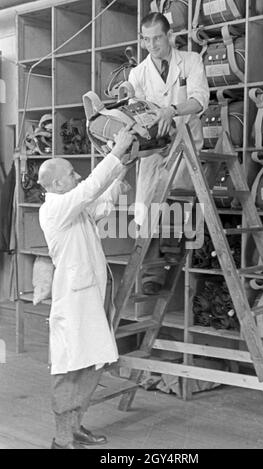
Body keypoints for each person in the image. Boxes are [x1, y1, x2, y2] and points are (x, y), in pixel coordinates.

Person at [38, 126, 135, 449]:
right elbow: (90, 189)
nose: (76, 175)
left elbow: (100, 201)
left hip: (91, 297)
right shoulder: (53, 208)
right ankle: (62, 439)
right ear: (56, 183)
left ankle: (76, 427)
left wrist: (121, 169)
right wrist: (115, 152)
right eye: (70, 173)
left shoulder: (73, 206)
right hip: (74, 303)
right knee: (69, 369)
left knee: (93, 362)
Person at [129, 12, 210, 295]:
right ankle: (152, 270)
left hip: (185, 138)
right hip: (154, 146)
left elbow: (200, 99)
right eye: (146, 39)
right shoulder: (137, 73)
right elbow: (135, 109)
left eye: (157, 38)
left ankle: (169, 250)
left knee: (176, 195)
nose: (152, 45)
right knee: (148, 202)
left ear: (169, 36)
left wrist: (171, 110)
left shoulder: (190, 60)